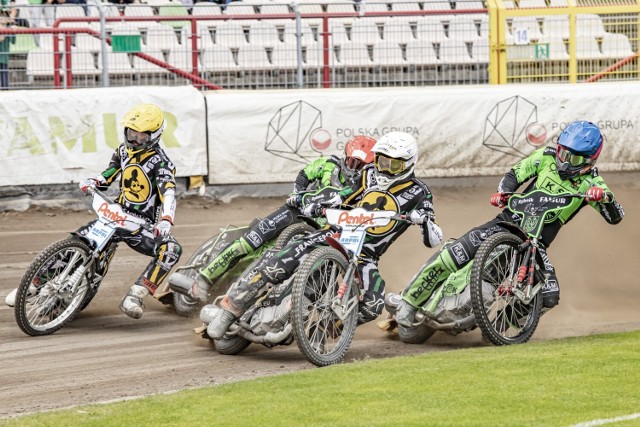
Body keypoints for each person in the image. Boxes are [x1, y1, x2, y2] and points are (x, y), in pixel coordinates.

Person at [203, 131, 445, 339]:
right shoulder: (368, 174)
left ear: (409, 164)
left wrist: (424, 221)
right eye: (382, 161)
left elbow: (433, 240)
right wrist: (315, 203)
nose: (385, 169)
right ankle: (230, 308)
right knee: (284, 259)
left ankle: (321, 333)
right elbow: (343, 195)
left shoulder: (419, 193)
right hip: (338, 234)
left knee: (373, 304)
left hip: (366, 256)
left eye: (394, 165)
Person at [394, 120, 625, 328]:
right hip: (506, 223)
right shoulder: (545, 156)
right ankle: (408, 302)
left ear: (589, 160)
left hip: (536, 245)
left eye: (572, 158)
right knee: (453, 254)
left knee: (549, 296)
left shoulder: (594, 182)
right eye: (562, 153)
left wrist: (605, 198)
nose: (563, 161)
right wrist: (503, 192)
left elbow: (616, 216)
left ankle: (500, 328)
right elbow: (514, 174)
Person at [168, 135, 378, 303]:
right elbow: (304, 174)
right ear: (345, 156)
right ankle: (203, 280)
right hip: (298, 211)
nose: (354, 168)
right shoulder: (329, 164)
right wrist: (297, 193)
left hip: (324, 230)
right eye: (352, 161)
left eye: (361, 165)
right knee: (250, 241)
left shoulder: (370, 188)